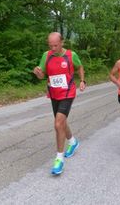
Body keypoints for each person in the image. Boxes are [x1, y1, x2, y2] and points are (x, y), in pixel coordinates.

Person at [33, 32, 86, 175]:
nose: (53, 48)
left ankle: (59, 159)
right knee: (61, 121)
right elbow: (42, 75)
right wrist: (38, 72)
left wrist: (82, 80)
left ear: (62, 42)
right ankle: (73, 141)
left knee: (58, 124)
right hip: (54, 93)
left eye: (56, 45)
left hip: (68, 92)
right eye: (50, 46)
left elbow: (79, 67)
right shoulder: (46, 55)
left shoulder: (71, 55)